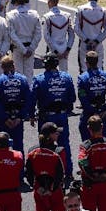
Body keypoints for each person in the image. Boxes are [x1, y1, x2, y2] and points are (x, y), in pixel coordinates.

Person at [32, 51, 76, 183]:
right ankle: (67, 172)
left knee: (45, 146)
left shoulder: (39, 79)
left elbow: (33, 98)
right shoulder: (66, 77)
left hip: (46, 119)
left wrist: (30, 115)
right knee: (64, 145)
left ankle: (46, 172)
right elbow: (72, 98)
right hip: (61, 116)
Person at [26, 122, 66, 211]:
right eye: (55, 132)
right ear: (49, 136)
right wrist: (52, 189)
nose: (58, 134)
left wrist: (37, 187)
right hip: (55, 192)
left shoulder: (32, 151)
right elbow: (61, 173)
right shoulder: (59, 151)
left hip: (39, 192)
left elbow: (28, 172)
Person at [0, 55, 30, 154]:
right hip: (17, 118)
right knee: (18, 149)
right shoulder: (23, 80)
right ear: (14, 66)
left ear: (2, 67)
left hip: (2, 121)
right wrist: (20, 117)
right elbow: (28, 100)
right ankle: (19, 169)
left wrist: (5, 118)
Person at [78, 51, 106, 140]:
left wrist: (92, 112)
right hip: (102, 112)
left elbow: (82, 98)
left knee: (87, 142)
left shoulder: (82, 78)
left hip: (88, 113)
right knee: (103, 141)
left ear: (86, 63)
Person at [6, 0, 41, 84]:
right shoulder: (34, 14)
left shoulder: (10, 15)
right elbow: (38, 34)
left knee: (18, 74)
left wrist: (23, 49)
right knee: (29, 74)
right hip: (30, 49)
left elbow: (12, 35)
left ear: (14, 1)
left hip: (17, 49)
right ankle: (29, 96)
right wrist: (30, 48)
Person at [75, 0, 106, 71]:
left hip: (84, 44)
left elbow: (76, 28)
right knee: (99, 68)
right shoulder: (104, 11)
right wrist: (97, 41)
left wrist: (86, 40)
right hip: (98, 45)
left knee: (84, 69)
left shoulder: (80, 9)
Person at [43, 0, 74, 71]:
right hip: (64, 48)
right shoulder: (67, 15)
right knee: (64, 72)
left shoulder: (47, 16)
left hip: (52, 49)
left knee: (50, 73)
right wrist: (67, 49)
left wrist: (55, 51)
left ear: (50, 2)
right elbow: (72, 35)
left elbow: (46, 36)